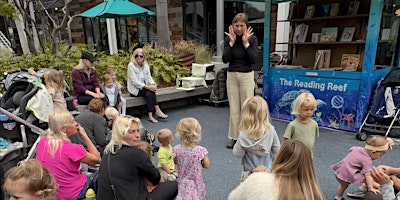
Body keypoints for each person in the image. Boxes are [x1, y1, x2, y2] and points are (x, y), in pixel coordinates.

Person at [97, 115, 178, 200]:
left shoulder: (107, 152)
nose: (138, 135)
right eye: (132, 132)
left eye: (138, 131)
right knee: (173, 185)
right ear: (121, 134)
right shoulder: (137, 154)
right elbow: (156, 178)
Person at [35, 110, 101, 200]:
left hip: (51, 193)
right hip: (73, 192)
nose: (76, 124)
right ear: (63, 129)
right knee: (99, 174)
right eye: (73, 121)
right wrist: (84, 135)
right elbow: (97, 159)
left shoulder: (42, 142)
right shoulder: (72, 149)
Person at [228, 140, 325, 200]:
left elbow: (233, 198)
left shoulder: (258, 180)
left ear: (279, 158)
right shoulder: (314, 194)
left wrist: (253, 179)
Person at [222, 13, 258, 149]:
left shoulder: (252, 39)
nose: (238, 28)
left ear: (246, 26)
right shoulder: (229, 39)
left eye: (241, 25)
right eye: (236, 25)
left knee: (247, 108)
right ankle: (234, 137)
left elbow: (254, 59)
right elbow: (225, 59)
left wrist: (246, 43)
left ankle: (248, 136)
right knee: (234, 108)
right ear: (232, 26)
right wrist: (230, 43)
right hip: (232, 75)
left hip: (246, 75)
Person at [232, 96, 280, 182]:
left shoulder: (243, 134)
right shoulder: (271, 130)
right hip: (266, 171)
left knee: (247, 193)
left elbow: (238, 154)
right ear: (265, 114)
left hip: (248, 173)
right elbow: (277, 151)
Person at [332, 135, 391, 200]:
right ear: (373, 152)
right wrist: (370, 187)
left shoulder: (358, 148)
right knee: (368, 177)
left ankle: (338, 198)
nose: (380, 157)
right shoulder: (367, 160)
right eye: (380, 155)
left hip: (340, 171)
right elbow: (367, 175)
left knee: (343, 186)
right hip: (347, 175)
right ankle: (382, 187)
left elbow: (351, 149)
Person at [127, 48, 168, 123]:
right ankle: (157, 110)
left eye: (141, 56)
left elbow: (149, 78)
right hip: (135, 90)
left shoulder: (145, 65)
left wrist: (153, 84)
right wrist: (148, 87)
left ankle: (150, 115)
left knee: (149, 93)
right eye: (137, 56)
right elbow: (135, 82)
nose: (139, 57)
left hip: (144, 89)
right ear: (134, 57)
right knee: (150, 91)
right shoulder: (131, 66)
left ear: (144, 57)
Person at [173, 117, 210, 200]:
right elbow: (207, 165)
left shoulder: (176, 149)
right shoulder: (200, 150)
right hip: (196, 181)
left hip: (183, 180)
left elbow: (174, 162)